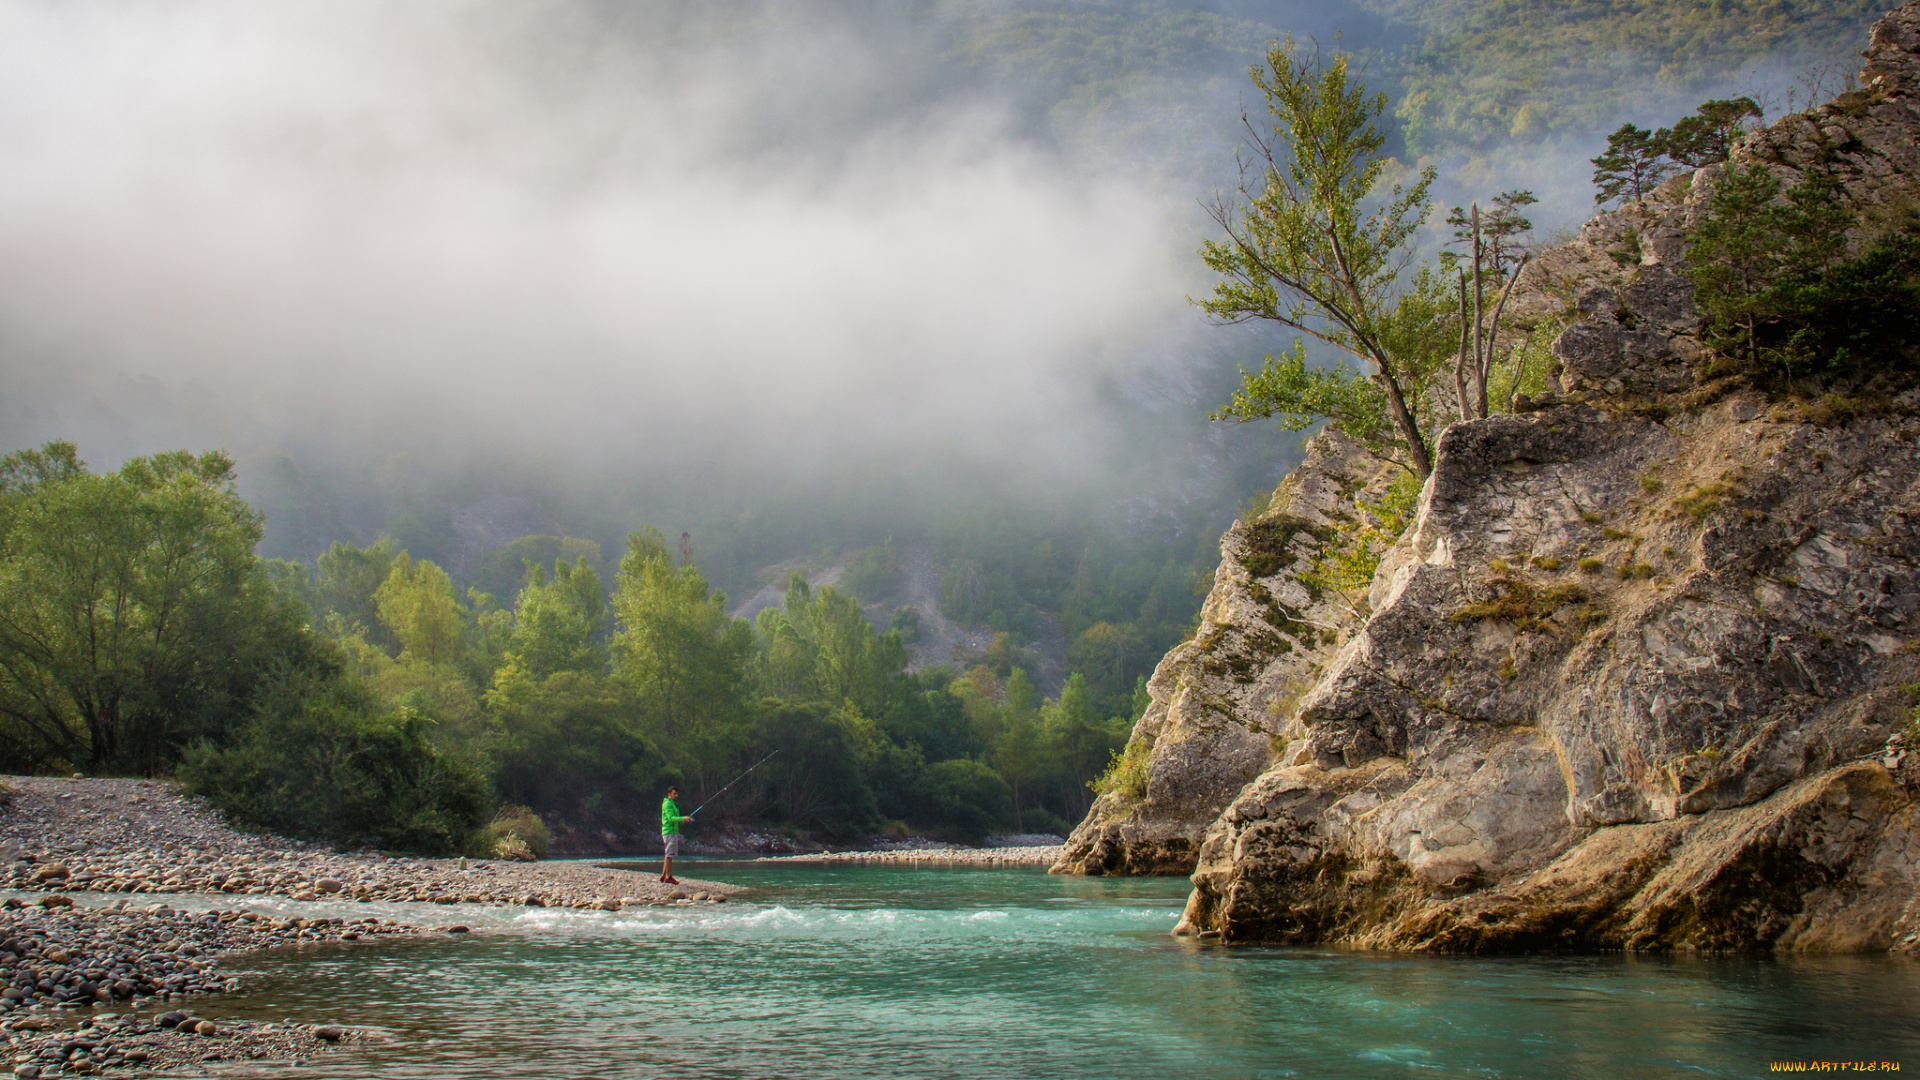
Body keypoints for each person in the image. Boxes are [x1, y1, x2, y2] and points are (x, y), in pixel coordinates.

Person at [659, 786, 694, 884]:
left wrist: (683, 821)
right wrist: (683, 818)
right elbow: (671, 818)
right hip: (669, 832)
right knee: (670, 854)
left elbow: (675, 819)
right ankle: (668, 877)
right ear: (669, 794)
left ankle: (663, 875)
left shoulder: (672, 804)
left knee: (668, 854)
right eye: (674, 794)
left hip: (671, 831)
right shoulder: (668, 804)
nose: (676, 796)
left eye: (677, 794)